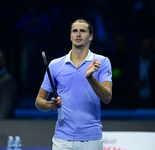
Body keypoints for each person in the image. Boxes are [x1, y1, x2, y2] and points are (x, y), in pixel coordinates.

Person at [35, 19, 112, 150]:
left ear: (91, 37)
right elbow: (39, 101)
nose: (78, 34)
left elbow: (107, 98)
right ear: (70, 36)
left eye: (83, 31)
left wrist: (90, 77)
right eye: (74, 31)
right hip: (62, 139)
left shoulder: (102, 62)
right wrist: (50, 104)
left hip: (92, 138)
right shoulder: (55, 65)